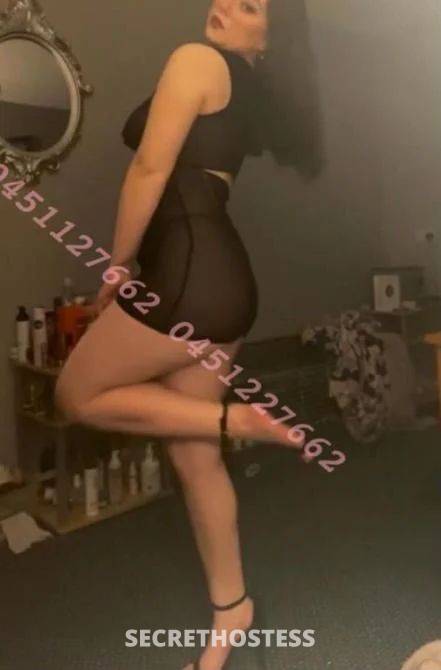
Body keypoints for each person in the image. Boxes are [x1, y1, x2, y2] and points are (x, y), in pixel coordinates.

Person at [54, 1, 324, 668]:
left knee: (75, 395)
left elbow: (149, 170)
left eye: (250, 4)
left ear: (268, 36)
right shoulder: (246, 90)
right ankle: (232, 612)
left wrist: (116, 268)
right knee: (194, 457)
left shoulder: (197, 60)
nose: (224, 3)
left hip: (187, 279)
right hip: (220, 281)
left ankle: (240, 421)